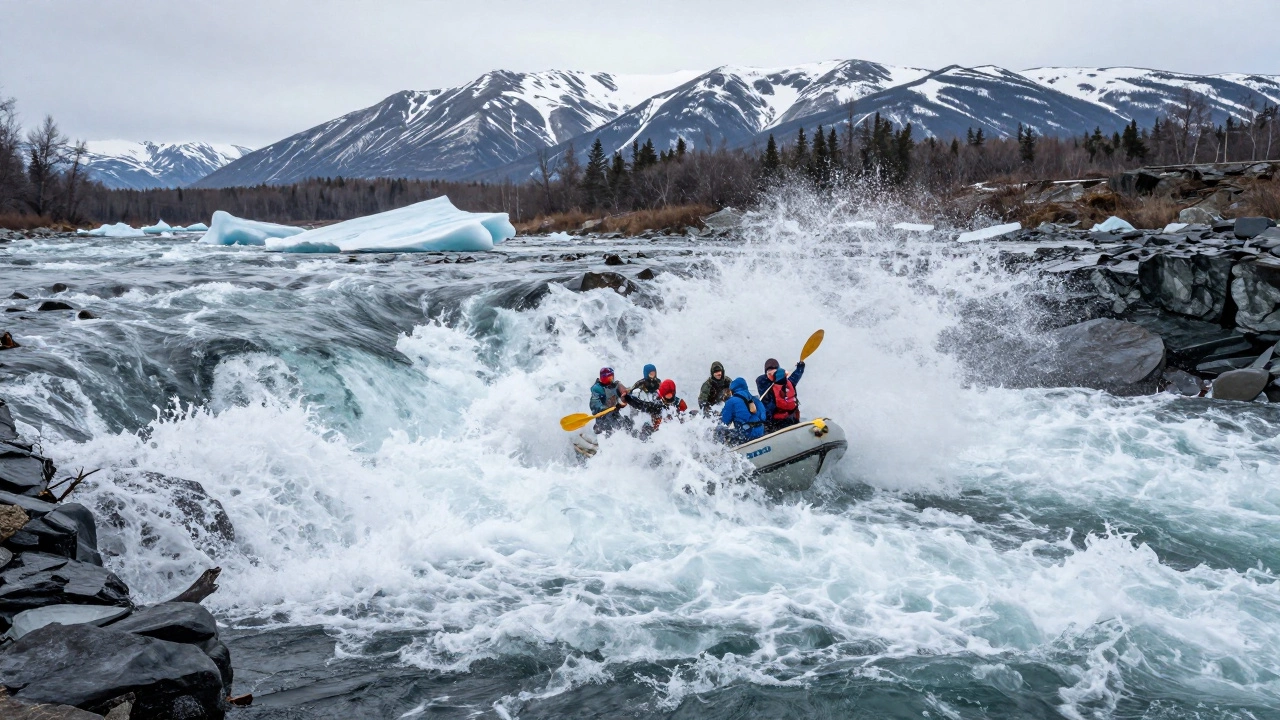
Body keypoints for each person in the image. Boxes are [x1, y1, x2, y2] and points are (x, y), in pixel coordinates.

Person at [720, 377, 767, 445]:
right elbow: (763, 417)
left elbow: (724, 422)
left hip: (746, 435)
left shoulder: (731, 401)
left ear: (732, 390)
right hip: (760, 432)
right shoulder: (755, 398)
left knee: (719, 431)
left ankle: (720, 450)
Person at [589, 367, 632, 436]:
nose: (611, 379)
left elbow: (624, 392)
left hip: (614, 414)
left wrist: (626, 393)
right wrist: (604, 408)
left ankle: (629, 435)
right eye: (609, 378)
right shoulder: (597, 388)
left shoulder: (615, 386)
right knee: (614, 426)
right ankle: (601, 431)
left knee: (626, 425)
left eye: (612, 377)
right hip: (603, 417)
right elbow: (594, 405)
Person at [760, 366, 801, 433]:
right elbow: (796, 375)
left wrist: (767, 424)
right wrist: (800, 366)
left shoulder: (772, 390)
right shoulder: (791, 382)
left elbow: (769, 409)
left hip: (779, 422)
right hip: (792, 417)